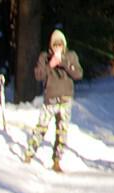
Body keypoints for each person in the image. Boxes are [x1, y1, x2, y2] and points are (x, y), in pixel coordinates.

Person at [23, 29, 83, 173]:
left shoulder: (71, 56)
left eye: (60, 45)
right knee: (41, 127)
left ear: (64, 45)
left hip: (65, 99)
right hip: (50, 99)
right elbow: (38, 75)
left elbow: (78, 74)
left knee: (62, 132)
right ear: (51, 46)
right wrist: (50, 65)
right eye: (55, 45)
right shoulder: (44, 57)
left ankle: (57, 160)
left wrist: (63, 63)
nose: (57, 48)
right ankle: (30, 153)